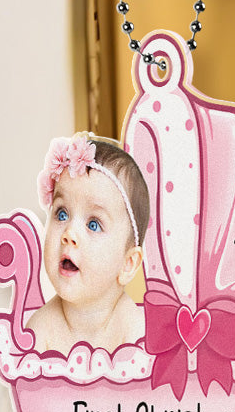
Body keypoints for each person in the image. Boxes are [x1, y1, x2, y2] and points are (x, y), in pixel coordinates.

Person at [28, 132, 150, 355]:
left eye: (93, 224)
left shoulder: (135, 331)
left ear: (128, 264)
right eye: (62, 214)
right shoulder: (40, 331)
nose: (69, 234)